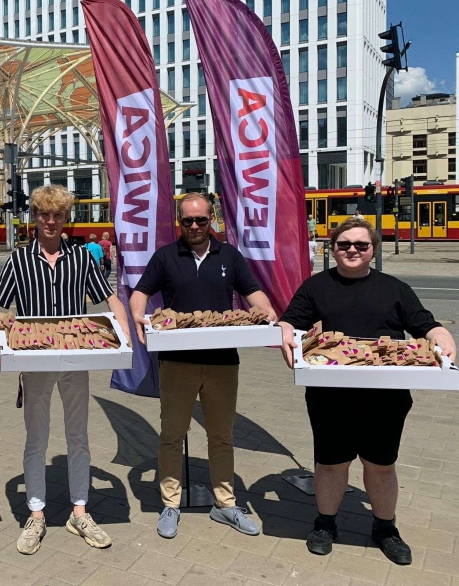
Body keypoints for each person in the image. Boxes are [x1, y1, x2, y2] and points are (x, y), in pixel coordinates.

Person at [278, 218, 455, 565]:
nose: (352, 250)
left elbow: (425, 324)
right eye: (344, 244)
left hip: (386, 397)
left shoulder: (395, 288)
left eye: (361, 244)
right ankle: (325, 524)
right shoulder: (315, 286)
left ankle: (385, 528)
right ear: (333, 249)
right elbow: (292, 320)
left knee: (381, 465)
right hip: (330, 396)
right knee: (331, 463)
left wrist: (442, 336)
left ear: (373, 249)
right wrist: (284, 330)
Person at [0, 185, 132, 556]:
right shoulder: (20, 260)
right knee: (36, 438)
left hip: (75, 359)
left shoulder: (81, 258)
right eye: (44, 214)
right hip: (34, 362)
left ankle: (79, 512)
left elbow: (109, 298)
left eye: (58, 215)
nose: (51, 222)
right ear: (35, 216)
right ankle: (36, 514)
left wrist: (124, 332)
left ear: (67, 218)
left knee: (78, 436)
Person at [129, 192, 277, 540]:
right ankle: (170, 504)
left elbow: (253, 293)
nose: (194, 226)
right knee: (172, 435)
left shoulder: (230, 255)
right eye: (187, 220)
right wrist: (137, 315)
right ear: (179, 222)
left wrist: (267, 310)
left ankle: (225, 504)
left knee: (222, 436)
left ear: (212, 219)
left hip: (222, 362)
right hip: (176, 362)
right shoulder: (166, 256)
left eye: (200, 219)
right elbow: (140, 292)